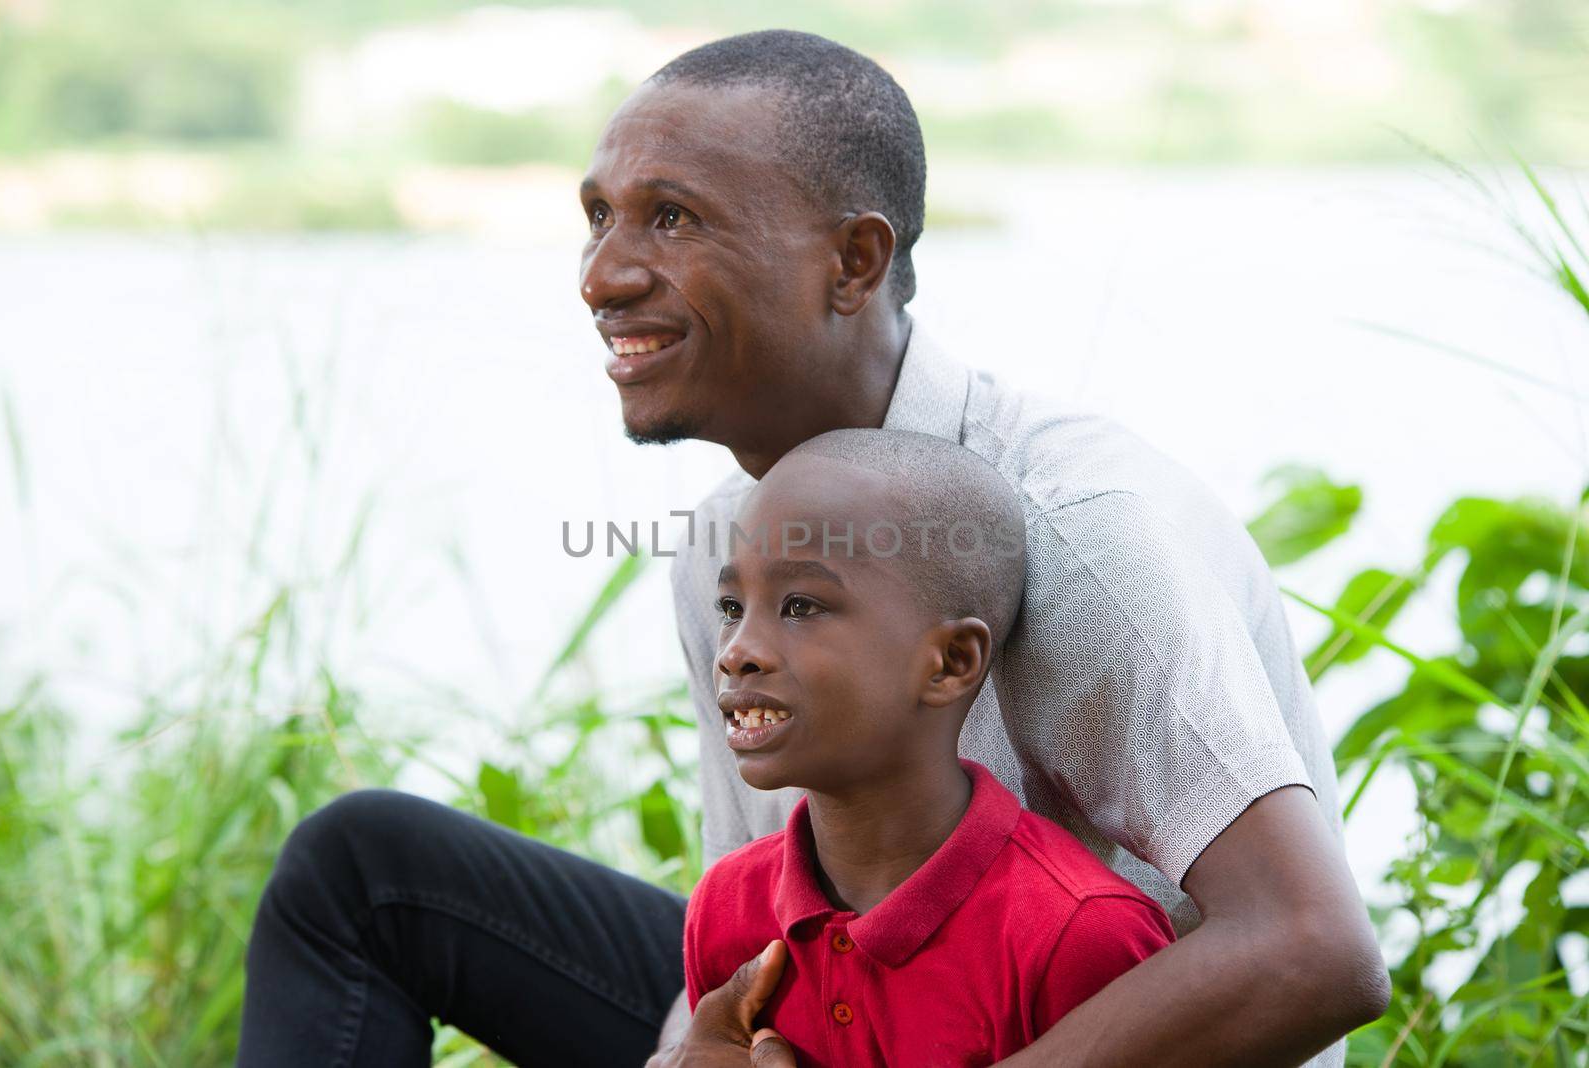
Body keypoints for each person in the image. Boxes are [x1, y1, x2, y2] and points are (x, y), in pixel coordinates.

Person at [236, 29, 1389, 1068]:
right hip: (855, 1011)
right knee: (365, 870)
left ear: (852, 262)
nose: (602, 278)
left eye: (673, 219)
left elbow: (1308, 950)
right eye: (599, 217)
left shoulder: (1075, 531)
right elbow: (757, 935)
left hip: (1080, 1026)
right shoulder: (725, 553)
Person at [685, 427, 1177, 1068]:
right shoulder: (727, 907)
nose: (735, 652)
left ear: (949, 662)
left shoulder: (1079, 935)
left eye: (800, 606)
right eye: (730, 606)